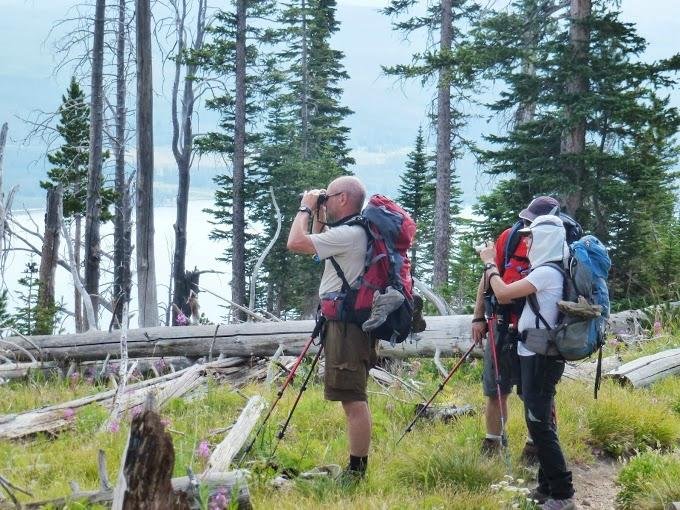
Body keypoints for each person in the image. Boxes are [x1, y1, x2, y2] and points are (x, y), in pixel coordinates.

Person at [479, 214, 576, 510]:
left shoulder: (547, 272)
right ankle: (546, 487)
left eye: (532, 237)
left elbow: (504, 294)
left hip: (539, 357)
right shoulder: (550, 270)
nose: (528, 242)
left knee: (540, 425)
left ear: (545, 240)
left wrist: (489, 263)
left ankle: (563, 494)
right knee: (539, 422)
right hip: (535, 353)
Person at [286, 175, 375, 482]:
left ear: (342, 199)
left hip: (347, 328)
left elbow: (295, 242)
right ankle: (357, 467)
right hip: (346, 324)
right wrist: (319, 216)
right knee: (352, 396)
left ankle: (356, 472)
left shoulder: (350, 234)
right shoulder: (353, 231)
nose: (325, 200)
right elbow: (316, 246)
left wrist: (305, 208)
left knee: (353, 399)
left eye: (330, 196)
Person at [472, 196, 560, 458]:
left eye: (531, 224)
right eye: (526, 221)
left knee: (535, 392)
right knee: (495, 388)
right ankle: (493, 444)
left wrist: (488, 263)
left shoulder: (554, 251)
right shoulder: (509, 237)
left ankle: (538, 446)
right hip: (501, 323)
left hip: (535, 331)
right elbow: (488, 279)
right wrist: (478, 317)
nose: (526, 228)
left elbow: (499, 286)